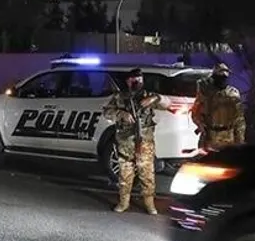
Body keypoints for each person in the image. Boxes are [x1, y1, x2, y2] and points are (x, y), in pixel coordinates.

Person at [103, 68, 175, 215]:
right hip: (125, 144)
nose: (138, 82)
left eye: (140, 80)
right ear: (128, 81)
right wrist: (120, 113)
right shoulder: (120, 97)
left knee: (147, 175)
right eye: (134, 79)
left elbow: (168, 104)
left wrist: (155, 98)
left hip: (144, 143)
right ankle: (123, 203)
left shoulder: (148, 96)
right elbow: (106, 112)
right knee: (125, 175)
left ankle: (149, 204)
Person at [191, 63, 246, 152]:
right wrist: (201, 126)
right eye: (219, 77)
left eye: (224, 77)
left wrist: (240, 139)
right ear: (214, 77)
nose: (222, 79)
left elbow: (239, 119)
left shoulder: (233, 94)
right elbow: (195, 112)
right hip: (210, 136)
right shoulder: (206, 93)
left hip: (228, 136)